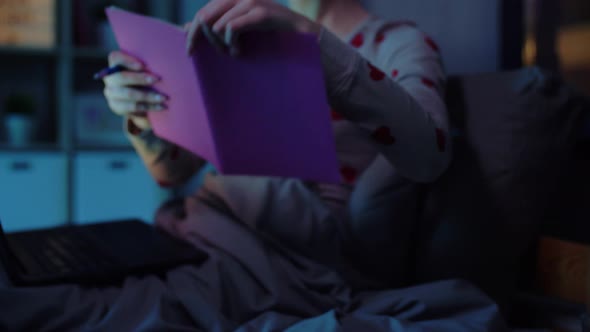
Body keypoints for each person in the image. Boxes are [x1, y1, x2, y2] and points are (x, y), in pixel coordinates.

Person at [102, 0, 451, 285]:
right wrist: (143, 112)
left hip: (285, 250)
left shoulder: (397, 43)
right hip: (192, 231)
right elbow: (171, 174)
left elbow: (429, 157)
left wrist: (311, 40)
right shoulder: (237, 34)